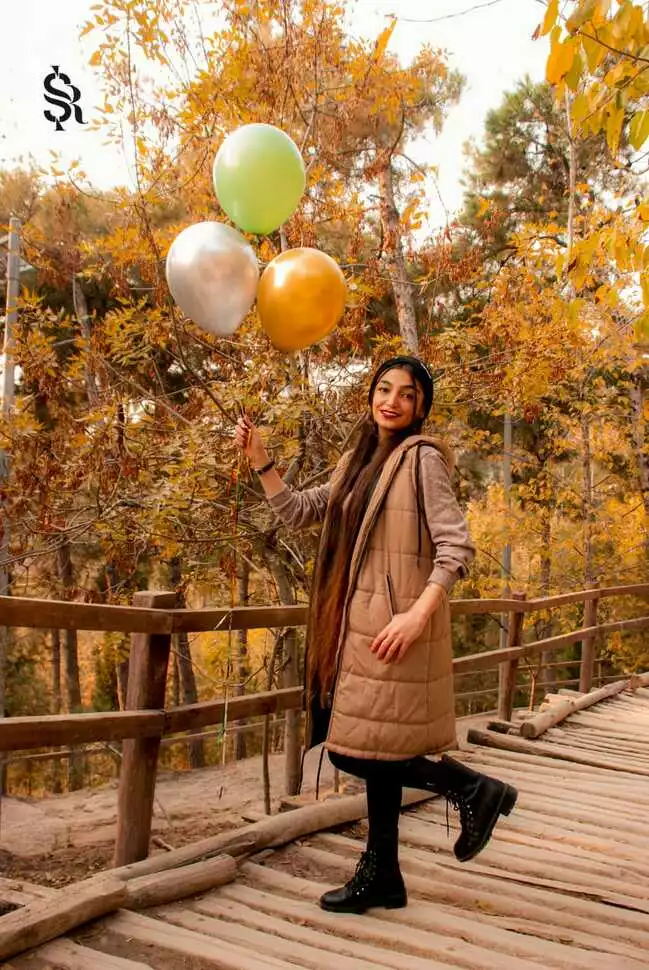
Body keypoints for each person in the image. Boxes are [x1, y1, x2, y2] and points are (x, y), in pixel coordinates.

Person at [234, 355, 517, 914]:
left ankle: (472, 790)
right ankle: (383, 874)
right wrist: (262, 461)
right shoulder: (356, 460)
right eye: (384, 389)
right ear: (371, 396)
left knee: (357, 752)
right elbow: (298, 511)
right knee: (370, 750)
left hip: (393, 631)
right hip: (352, 629)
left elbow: (456, 548)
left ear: (420, 408)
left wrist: (415, 615)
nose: (392, 401)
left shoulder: (422, 460)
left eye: (407, 394)